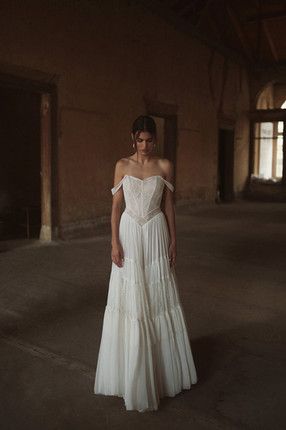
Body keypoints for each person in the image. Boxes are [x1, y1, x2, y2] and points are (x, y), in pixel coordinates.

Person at [94, 115, 198, 412]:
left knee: (157, 298)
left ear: (155, 139)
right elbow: (115, 208)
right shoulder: (121, 166)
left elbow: (168, 205)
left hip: (155, 231)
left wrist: (174, 240)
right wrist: (114, 241)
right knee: (130, 299)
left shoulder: (164, 165)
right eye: (140, 140)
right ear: (132, 138)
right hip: (129, 231)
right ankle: (129, 372)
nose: (144, 145)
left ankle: (162, 373)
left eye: (149, 140)